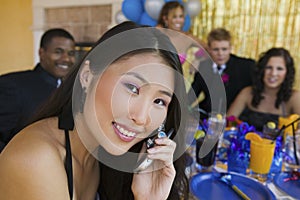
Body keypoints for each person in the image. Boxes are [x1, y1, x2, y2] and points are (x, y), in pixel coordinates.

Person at [0, 21, 190, 200]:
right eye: (132, 88)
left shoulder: (100, 152)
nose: (141, 118)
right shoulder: (37, 161)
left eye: (159, 101)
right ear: (87, 76)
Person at [0, 28, 76, 151]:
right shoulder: (13, 86)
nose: (66, 59)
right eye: (58, 52)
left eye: (71, 53)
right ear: (41, 53)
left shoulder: (69, 89)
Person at [227, 47, 300, 131]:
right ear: (261, 70)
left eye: (279, 69)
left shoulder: (295, 97)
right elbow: (228, 121)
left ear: (287, 73)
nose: (273, 73)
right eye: (269, 67)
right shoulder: (247, 93)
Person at [189, 28, 255, 116]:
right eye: (216, 49)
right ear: (209, 49)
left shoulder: (246, 66)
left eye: (224, 49)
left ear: (230, 48)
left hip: (235, 117)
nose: (220, 53)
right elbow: (192, 94)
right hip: (207, 115)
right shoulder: (203, 66)